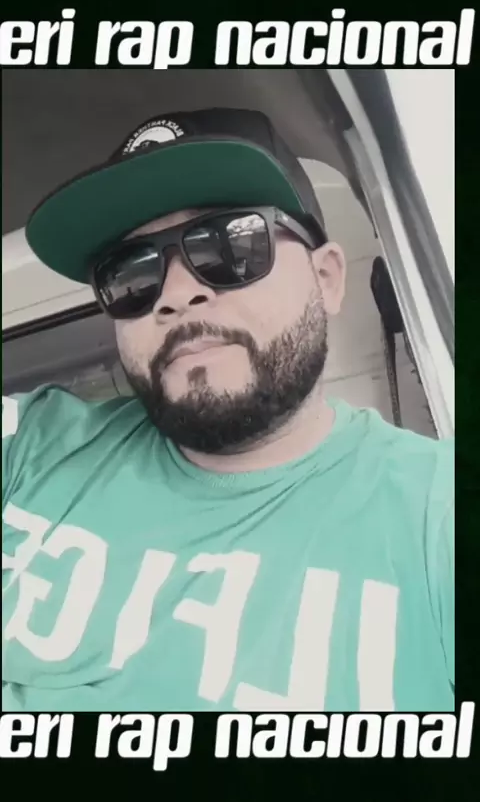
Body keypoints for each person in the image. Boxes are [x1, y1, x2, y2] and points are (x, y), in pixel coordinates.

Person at [2, 107, 454, 713]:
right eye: (130, 274)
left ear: (326, 278)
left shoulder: (439, 514)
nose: (176, 294)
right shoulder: (36, 444)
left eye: (229, 245)